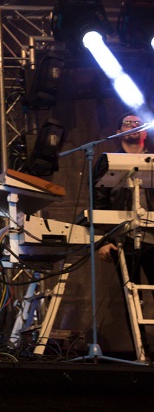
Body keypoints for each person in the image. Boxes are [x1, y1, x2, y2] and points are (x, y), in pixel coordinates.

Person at [95, 113, 152, 356]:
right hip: (123, 238)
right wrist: (104, 240)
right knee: (132, 296)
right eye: (127, 123)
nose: (133, 126)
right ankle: (143, 353)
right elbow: (98, 202)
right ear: (118, 131)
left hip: (153, 236)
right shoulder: (108, 163)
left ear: (145, 132)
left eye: (138, 123)